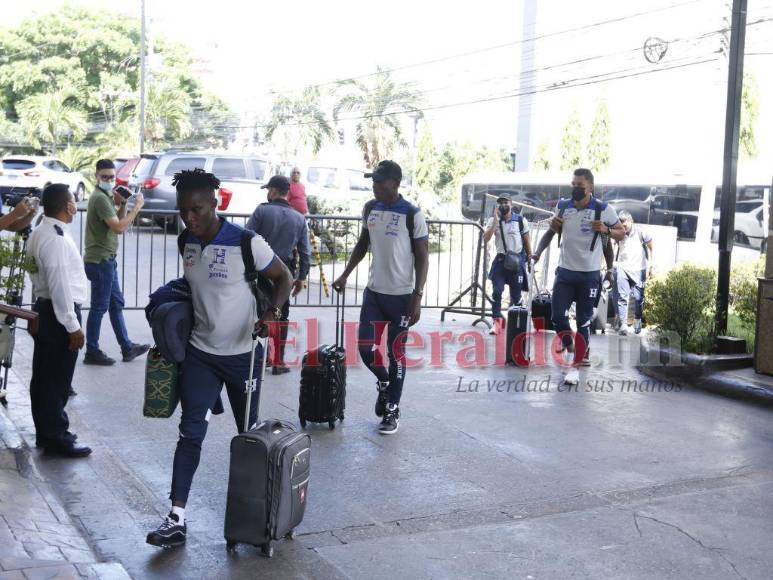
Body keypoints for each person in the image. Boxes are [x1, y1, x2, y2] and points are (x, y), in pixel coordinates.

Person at [146, 169, 292, 549]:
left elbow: (285, 277)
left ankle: (259, 517)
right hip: (201, 355)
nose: (189, 218)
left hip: (243, 356)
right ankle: (176, 518)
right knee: (190, 433)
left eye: (196, 210)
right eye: (183, 211)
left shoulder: (246, 242)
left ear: (215, 203)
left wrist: (272, 313)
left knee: (250, 439)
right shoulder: (187, 242)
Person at [332, 160, 429, 435]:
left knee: (396, 354)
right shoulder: (370, 209)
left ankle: (392, 409)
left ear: (395, 184)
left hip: (402, 297)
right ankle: (385, 382)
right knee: (365, 349)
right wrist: (345, 274)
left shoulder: (412, 214)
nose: (374, 185)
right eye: (372, 180)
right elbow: (363, 244)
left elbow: (423, 257)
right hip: (374, 294)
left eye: (379, 181)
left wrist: (417, 296)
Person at [532, 168, 624, 385]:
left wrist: (606, 230)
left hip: (589, 276)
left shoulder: (603, 209)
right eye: (573, 184)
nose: (575, 188)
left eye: (580, 185)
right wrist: (536, 253)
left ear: (590, 187)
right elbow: (550, 233)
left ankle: (575, 365)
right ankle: (574, 348)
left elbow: (621, 233)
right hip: (565, 272)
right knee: (557, 317)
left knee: (583, 322)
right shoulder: (564, 206)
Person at [27, 184, 91, 457]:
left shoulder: (42, 231)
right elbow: (60, 286)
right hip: (57, 314)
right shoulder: (54, 238)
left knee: (45, 377)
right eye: (73, 200)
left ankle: (48, 433)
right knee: (56, 379)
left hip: (47, 310)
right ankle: (56, 437)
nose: (75, 204)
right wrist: (72, 326)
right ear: (68, 206)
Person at [83, 159, 149, 366]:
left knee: (115, 304)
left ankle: (127, 347)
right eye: (105, 177)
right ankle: (92, 351)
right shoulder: (100, 199)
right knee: (99, 307)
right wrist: (137, 208)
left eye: (112, 177)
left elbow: (117, 222)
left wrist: (124, 203)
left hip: (106, 260)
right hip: (100, 260)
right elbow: (119, 228)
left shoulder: (106, 197)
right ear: (96, 176)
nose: (109, 180)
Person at [247, 174, 312, 374]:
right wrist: (301, 277)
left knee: (257, 310)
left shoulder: (262, 211)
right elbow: (305, 252)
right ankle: (277, 361)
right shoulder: (299, 218)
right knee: (280, 313)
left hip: (259, 270)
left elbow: (246, 238)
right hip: (285, 273)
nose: (268, 193)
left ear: (274, 191)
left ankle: (259, 356)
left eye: (269, 190)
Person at [482, 192, 532, 335]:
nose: (503, 205)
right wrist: (496, 221)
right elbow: (486, 238)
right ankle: (496, 323)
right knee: (497, 292)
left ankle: (517, 324)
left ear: (511, 204)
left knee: (516, 296)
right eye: (500, 203)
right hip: (501, 261)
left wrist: (530, 259)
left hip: (516, 262)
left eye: (506, 202)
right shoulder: (493, 220)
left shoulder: (520, 220)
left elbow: (527, 241)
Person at [613, 210, 654, 335]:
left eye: (624, 223)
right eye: (620, 223)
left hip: (639, 269)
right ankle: (623, 325)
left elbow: (651, 247)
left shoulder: (641, 232)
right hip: (623, 268)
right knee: (622, 297)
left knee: (638, 298)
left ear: (631, 221)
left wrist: (650, 266)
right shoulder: (619, 233)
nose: (623, 226)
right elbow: (614, 246)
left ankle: (637, 319)